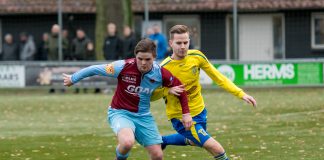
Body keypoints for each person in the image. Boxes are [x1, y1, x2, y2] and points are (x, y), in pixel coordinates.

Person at [62, 38, 193, 160]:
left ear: (154, 57)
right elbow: (95, 69)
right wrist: (73, 78)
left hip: (143, 116)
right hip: (120, 112)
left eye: (147, 59)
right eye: (140, 58)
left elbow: (180, 88)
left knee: (158, 155)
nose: (143, 63)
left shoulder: (160, 73)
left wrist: (186, 113)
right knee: (127, 142)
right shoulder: (122, 66)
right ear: (135, 56)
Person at [151, 25, 257, 160]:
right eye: (178, 43)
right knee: (216, 148)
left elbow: (218, 77)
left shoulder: (197, 56)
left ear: (189, 41)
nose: (183, 46)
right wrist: (167, 90)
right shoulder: (163, 68)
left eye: (185, 42)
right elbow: (151, 94)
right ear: (171, 43)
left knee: (195, 140)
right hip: (180, 117)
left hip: (200, 110)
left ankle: (163, 141)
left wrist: (241, 93)